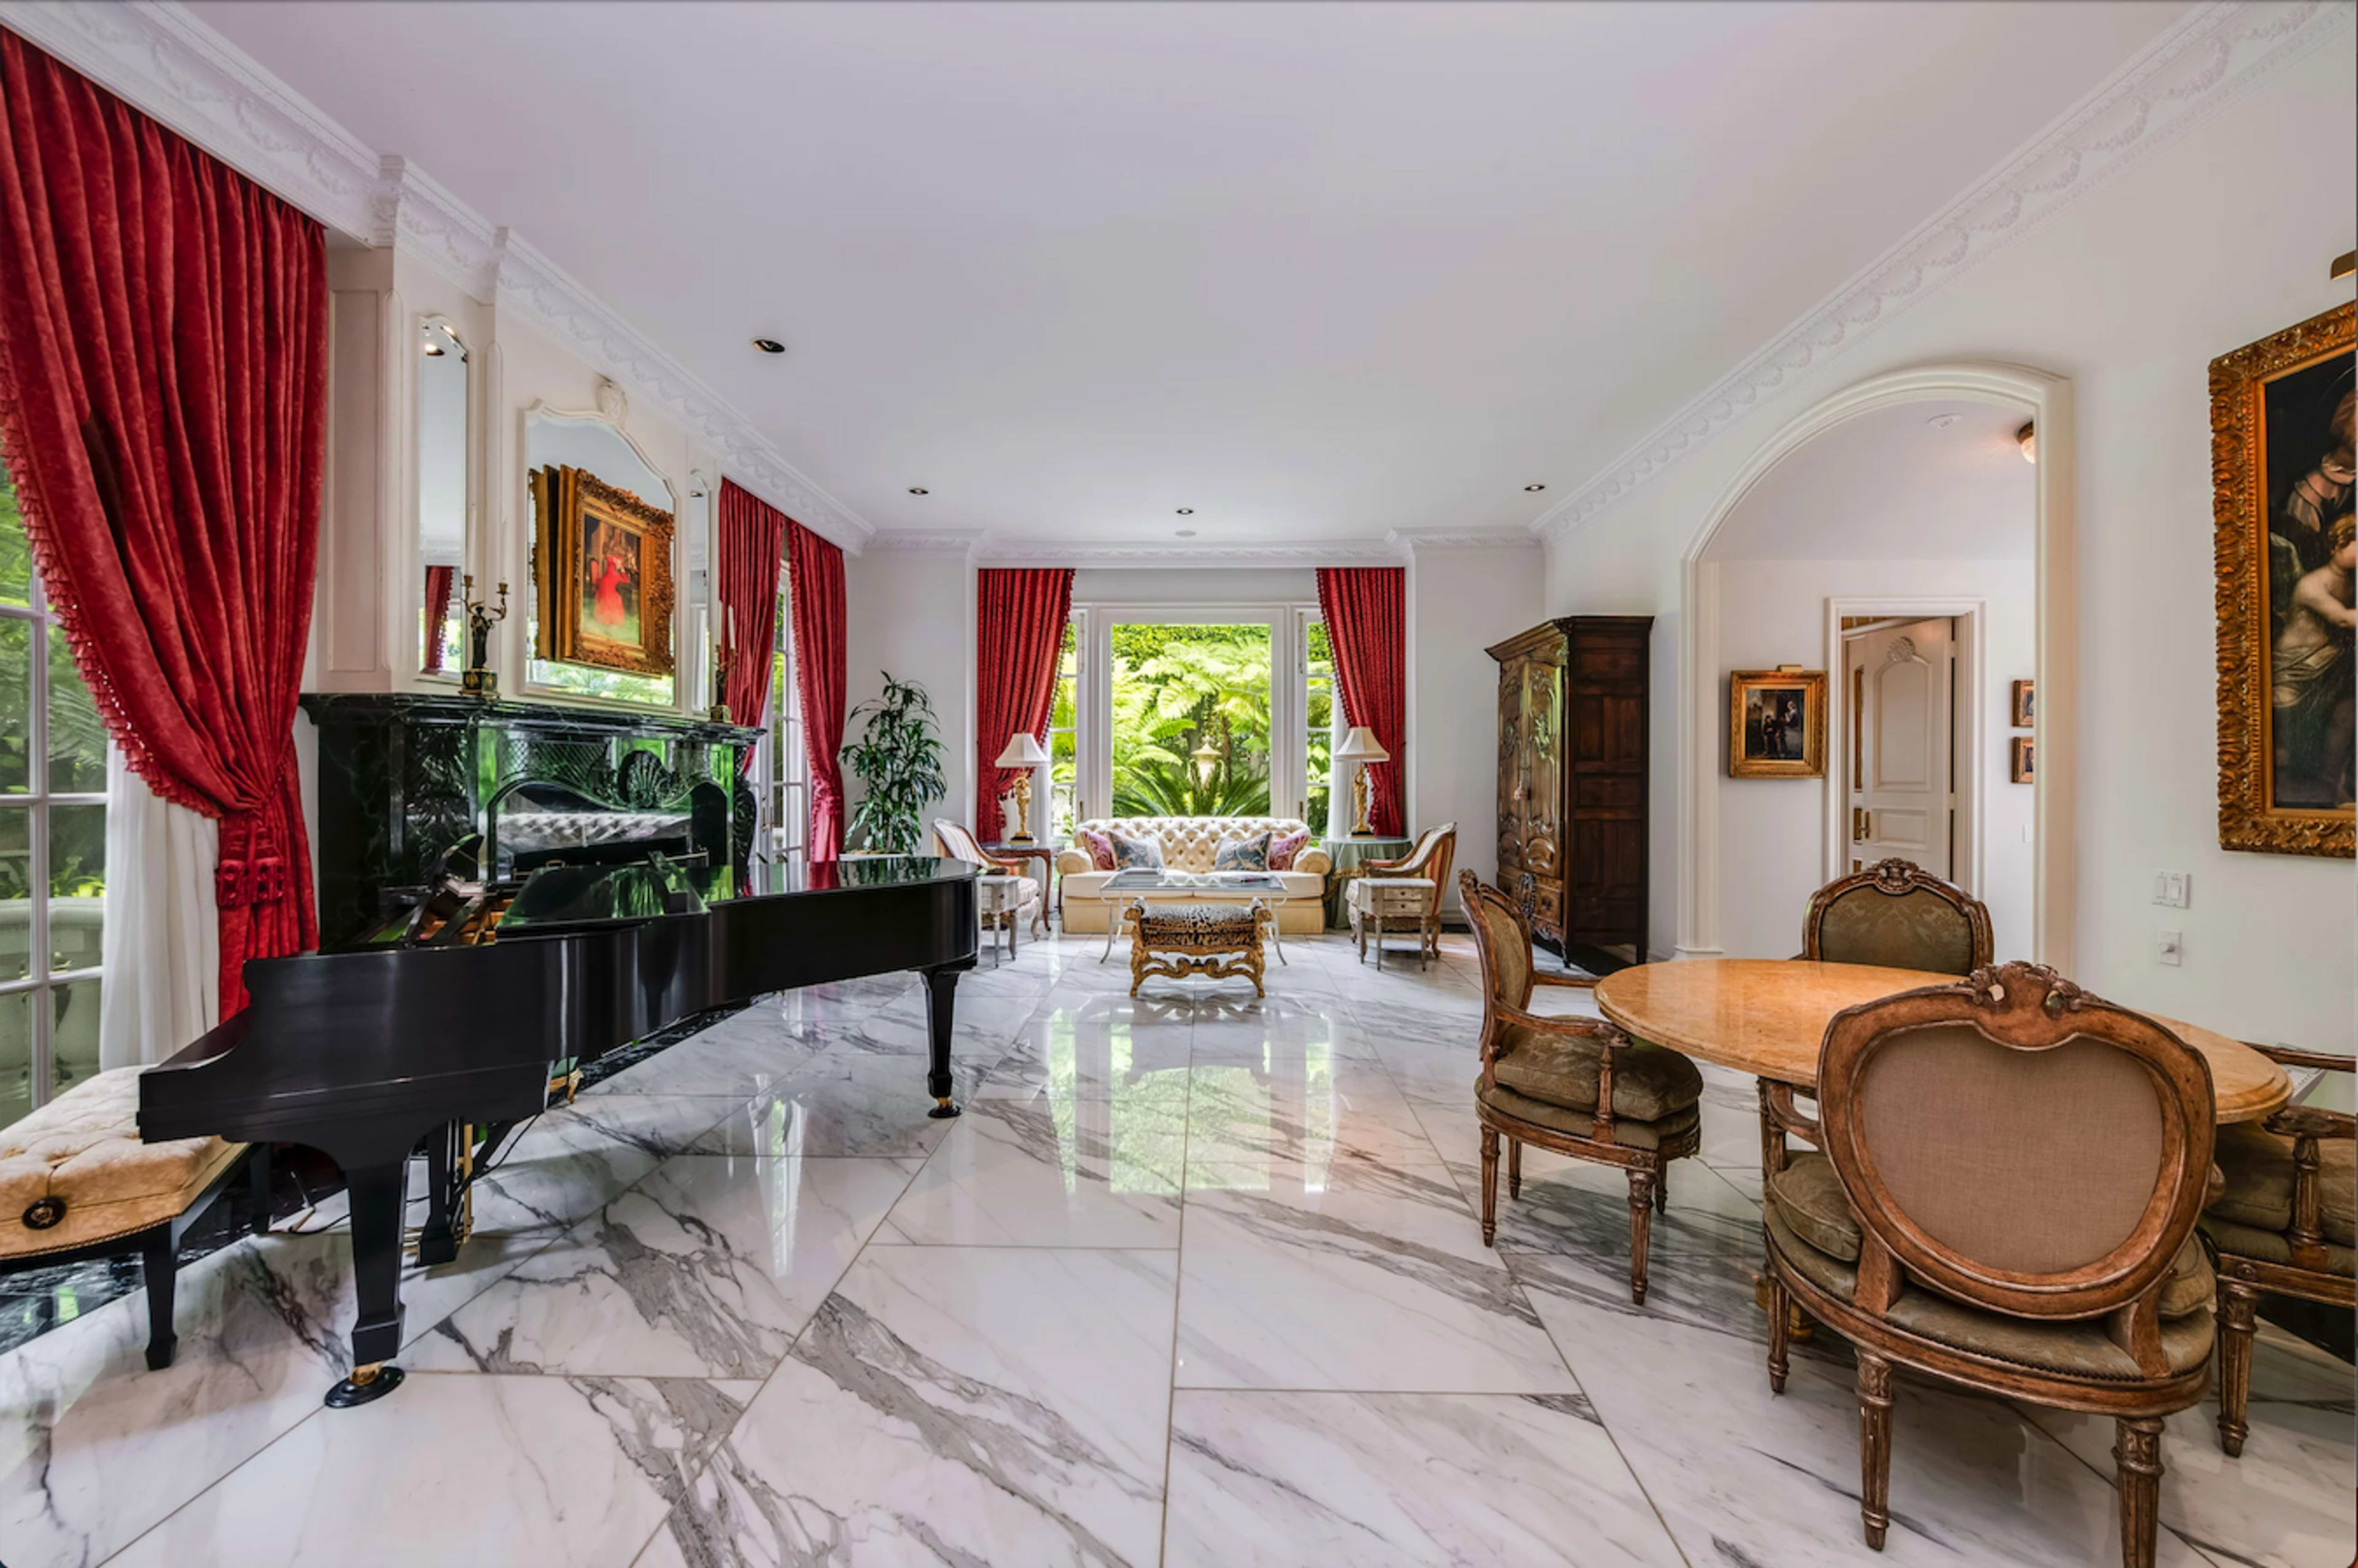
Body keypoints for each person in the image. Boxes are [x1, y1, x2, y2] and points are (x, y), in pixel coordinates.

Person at [2272, 511, 2356, 806]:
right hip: (2294, 669)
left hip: (2326, 665)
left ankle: (2337, 788)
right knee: (2290, 751)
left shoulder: (2350, 580)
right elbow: (2344, 620)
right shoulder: (2314, 584)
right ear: (2336, 547)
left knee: (2346, 715)